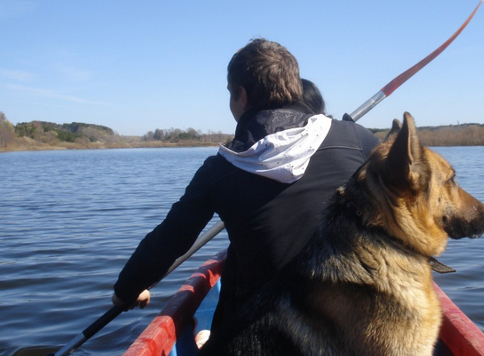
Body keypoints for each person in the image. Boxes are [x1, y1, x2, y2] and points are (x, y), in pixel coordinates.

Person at [112, 38, 379, 351]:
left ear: (240, 94)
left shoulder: (219, 170)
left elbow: (171, 238)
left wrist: (127, 290)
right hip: (358, 326)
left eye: (230, 92)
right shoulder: (358, 139)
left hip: (268, 337)